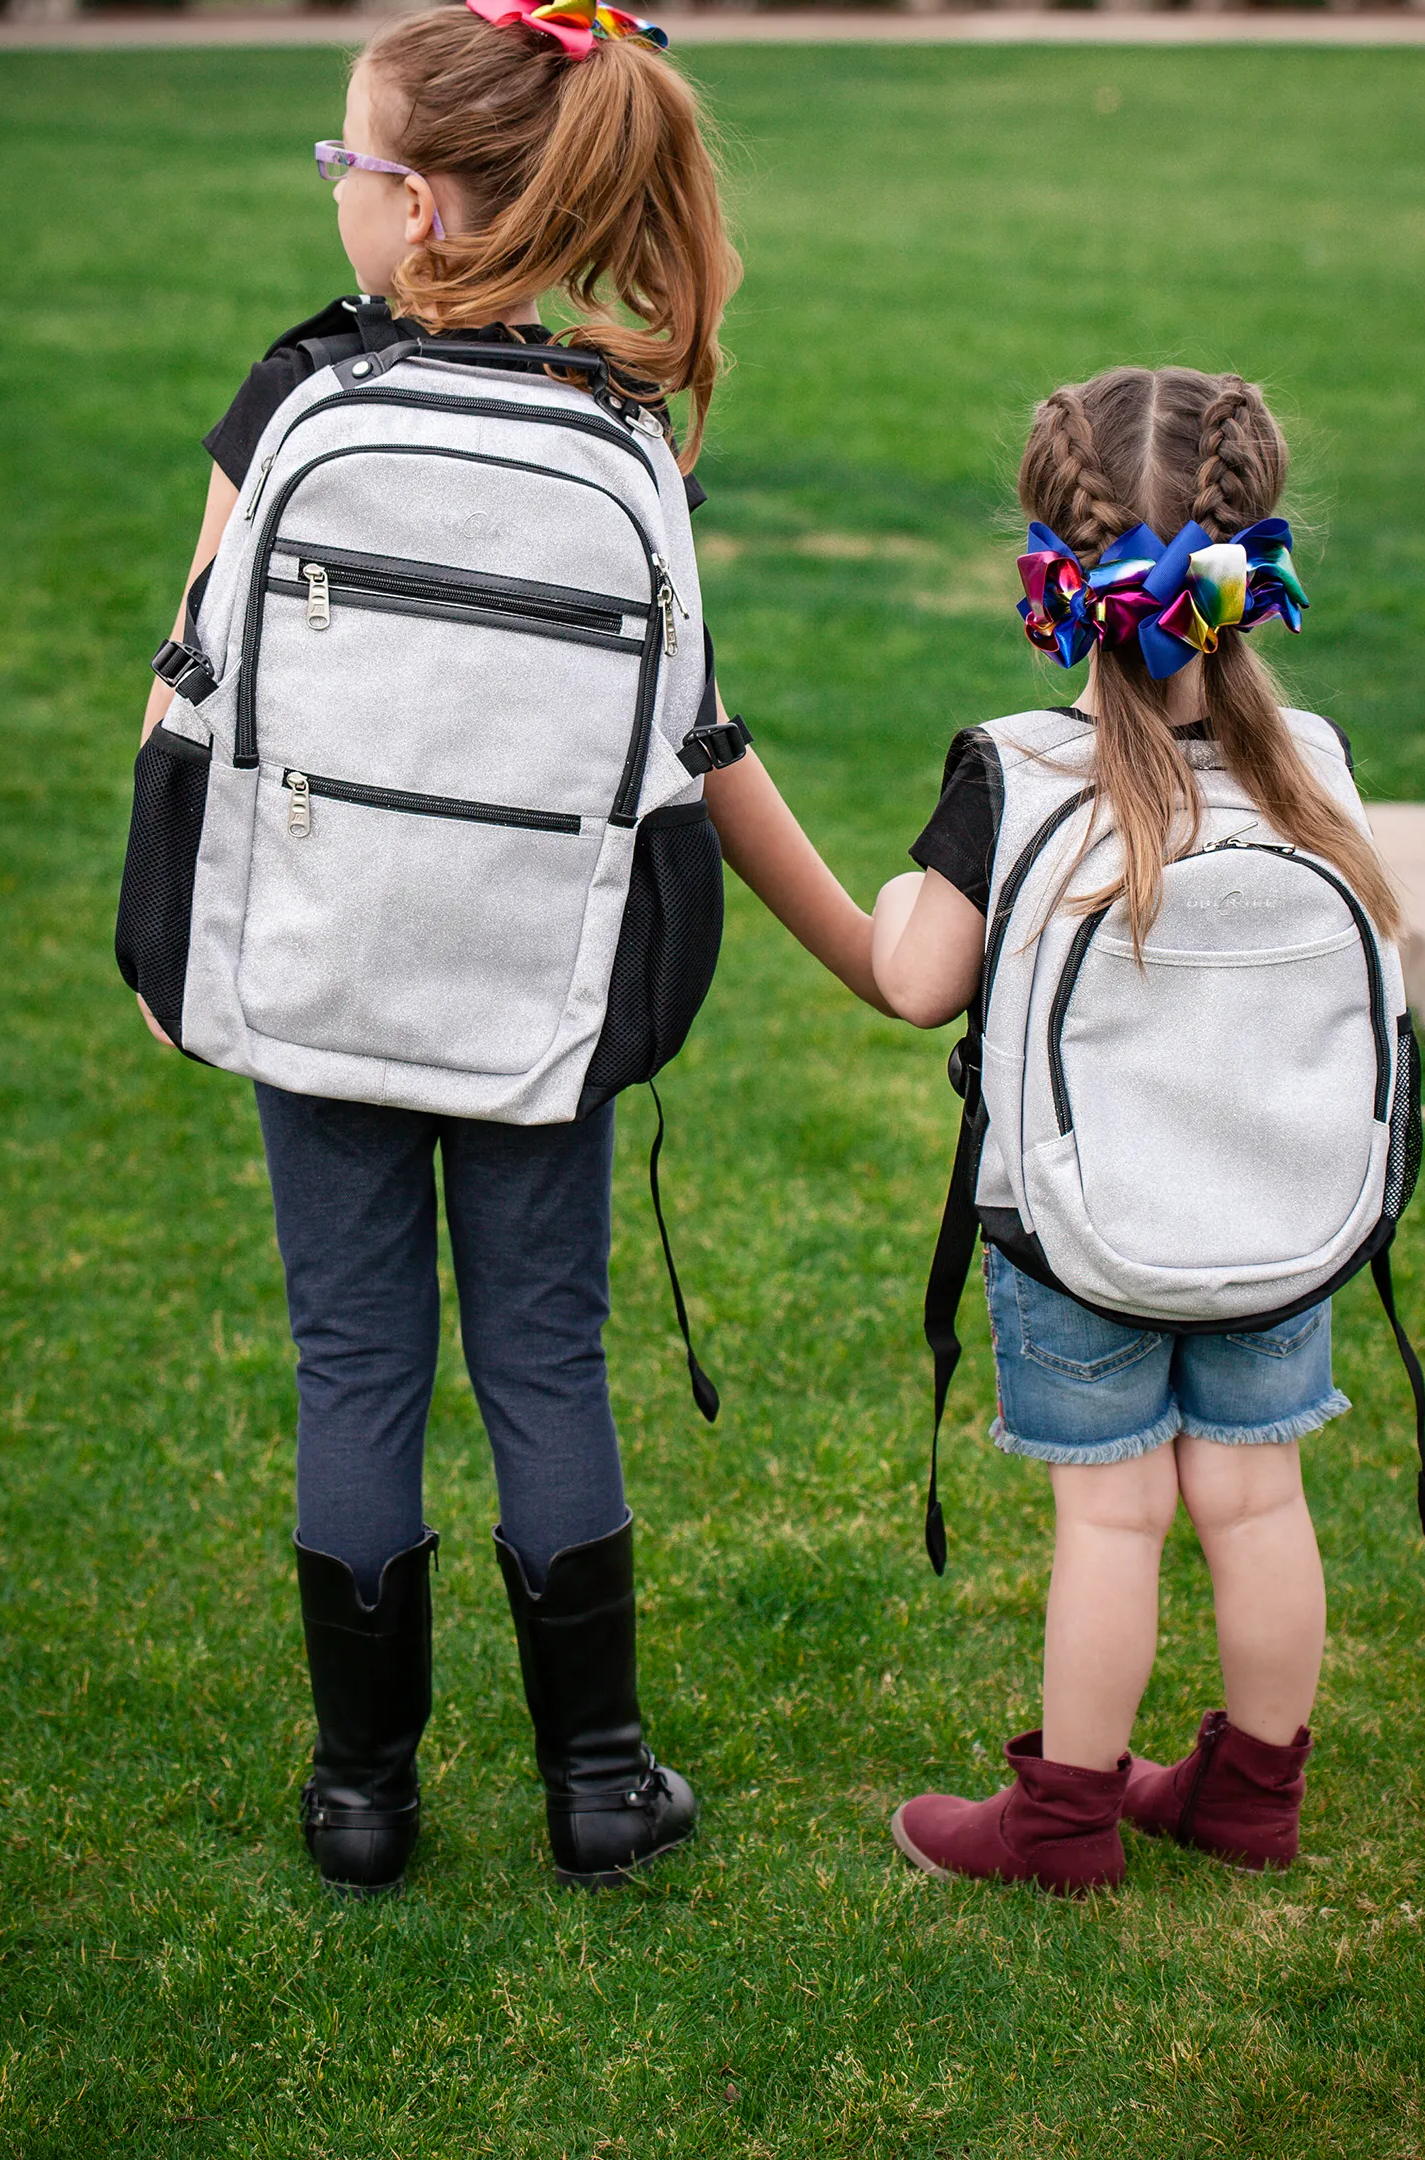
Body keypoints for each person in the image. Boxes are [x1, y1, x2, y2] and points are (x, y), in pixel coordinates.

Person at [136, 0, 883, 1896]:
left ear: (426, 210)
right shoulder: (620, 429)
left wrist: (172, 942)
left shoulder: (292, 399)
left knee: (353, 1370)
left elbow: (187, 694)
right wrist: (867, 948)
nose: (337, 198)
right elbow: (696, 742)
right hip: (537, 997)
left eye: (346, 164)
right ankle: (600, 1783)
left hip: (316, 973)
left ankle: (362, 1795)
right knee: (549, 1365)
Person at [870, 367, 1404, 1893]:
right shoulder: (1322, 778)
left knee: (1112, 1525)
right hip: (1283, 1229)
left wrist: (914, 890)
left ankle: (1061, 1824)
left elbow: (918, 976)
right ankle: (1250, 1794)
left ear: (1053, 573)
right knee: (1257, 1494)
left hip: (1079, 1235)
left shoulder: (1018, 773)